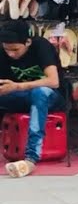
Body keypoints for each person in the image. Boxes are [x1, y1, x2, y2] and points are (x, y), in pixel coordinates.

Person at [0, 22, 66, 178]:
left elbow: (53, 81)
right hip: (20, 96)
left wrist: (17, 86)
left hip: (51, 97)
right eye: (6, 49)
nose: (11, 54)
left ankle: (31, 157)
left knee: (40, 92)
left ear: (27, 42)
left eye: (15, 50)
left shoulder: (41, 46)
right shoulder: (4, 51)